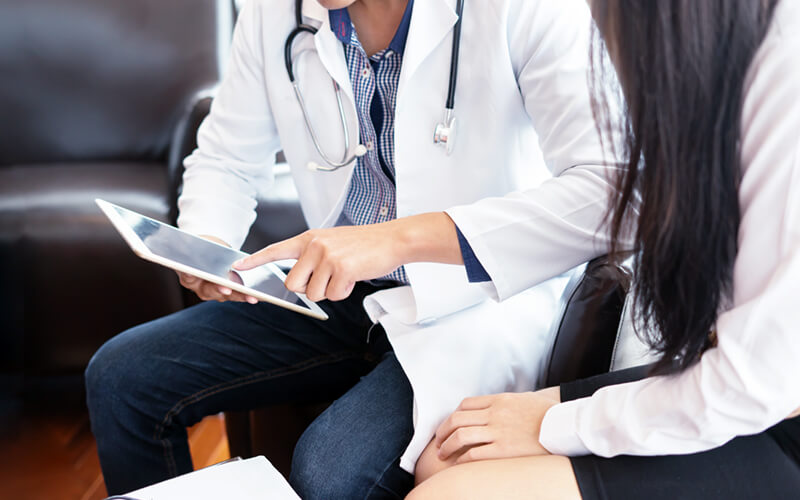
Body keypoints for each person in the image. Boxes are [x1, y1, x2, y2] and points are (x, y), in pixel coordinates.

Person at [250, 0, 800, 497]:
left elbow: (754, 382)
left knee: (430, 489)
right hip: (714, 373)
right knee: (441, 461)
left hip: (767, 412)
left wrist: (552, 421)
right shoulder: (695, 56)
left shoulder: (779, 69)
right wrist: (554, 410)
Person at [85, 0, 615, 497]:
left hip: (478, 301)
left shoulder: (526, 9)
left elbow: (609, 188)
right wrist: (210, 240)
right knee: (123, 377)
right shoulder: (275, 13)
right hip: (338, 289)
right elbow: (225, 158)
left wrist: (395, 240)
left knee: (329, 473)